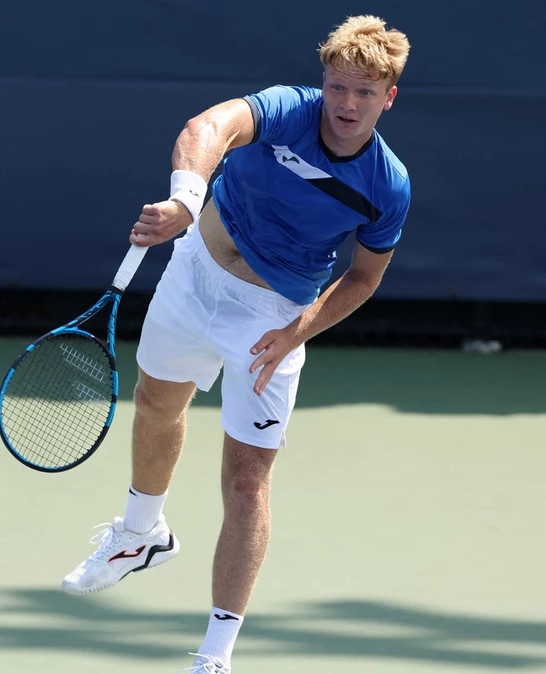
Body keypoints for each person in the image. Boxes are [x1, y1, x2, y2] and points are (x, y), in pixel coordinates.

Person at [59, 15, 413, 673]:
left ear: (388, 97)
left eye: (364, 94)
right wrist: (186, 202)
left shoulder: (386, 184)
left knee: (247, 481)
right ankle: (141, 533)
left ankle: (216, 654)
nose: (346, 105)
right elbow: (207, 129)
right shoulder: (286, 109)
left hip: (272, 316)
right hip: (194, 272)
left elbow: (363, 278)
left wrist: (296, 332)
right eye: (337, 87)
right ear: (324, 82)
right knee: (155, 402)